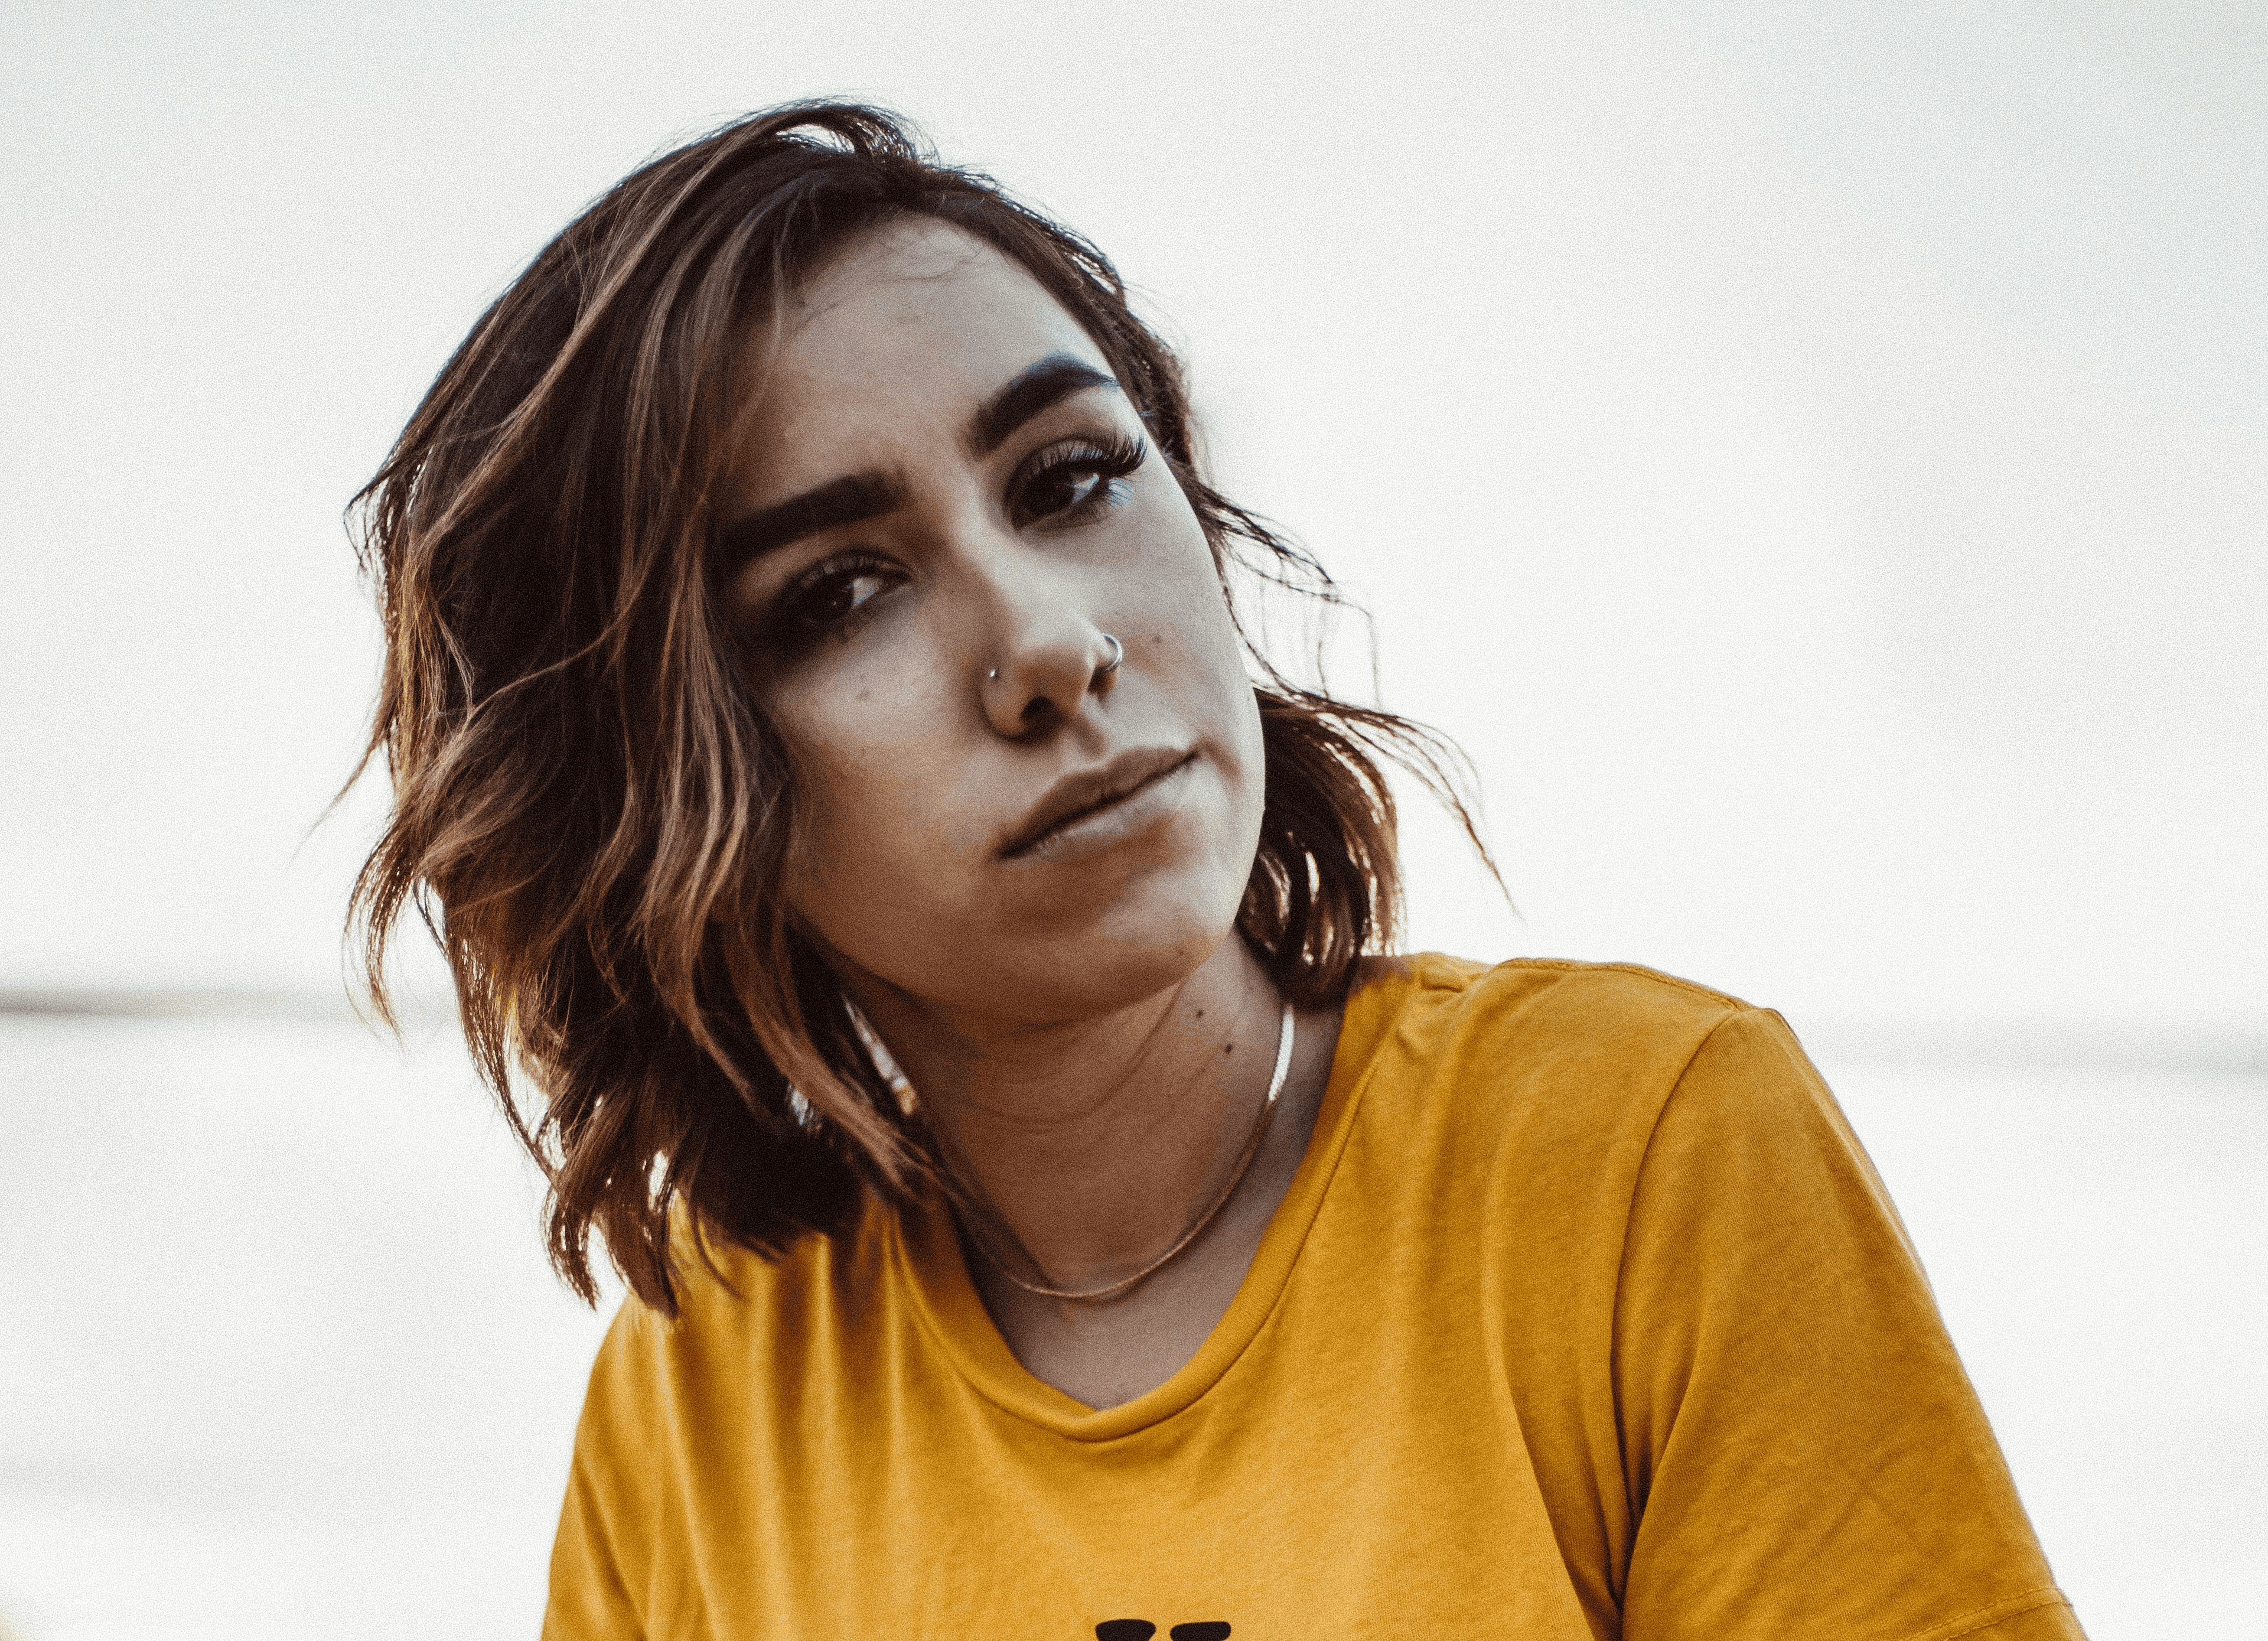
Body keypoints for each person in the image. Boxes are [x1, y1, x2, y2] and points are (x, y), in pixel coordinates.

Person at [350, 102, 2084, 1640]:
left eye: (1073, 479)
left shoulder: (1639, 1159)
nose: (1050, 643)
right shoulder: (706, 1401)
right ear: (662, 791)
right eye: (841, 592)